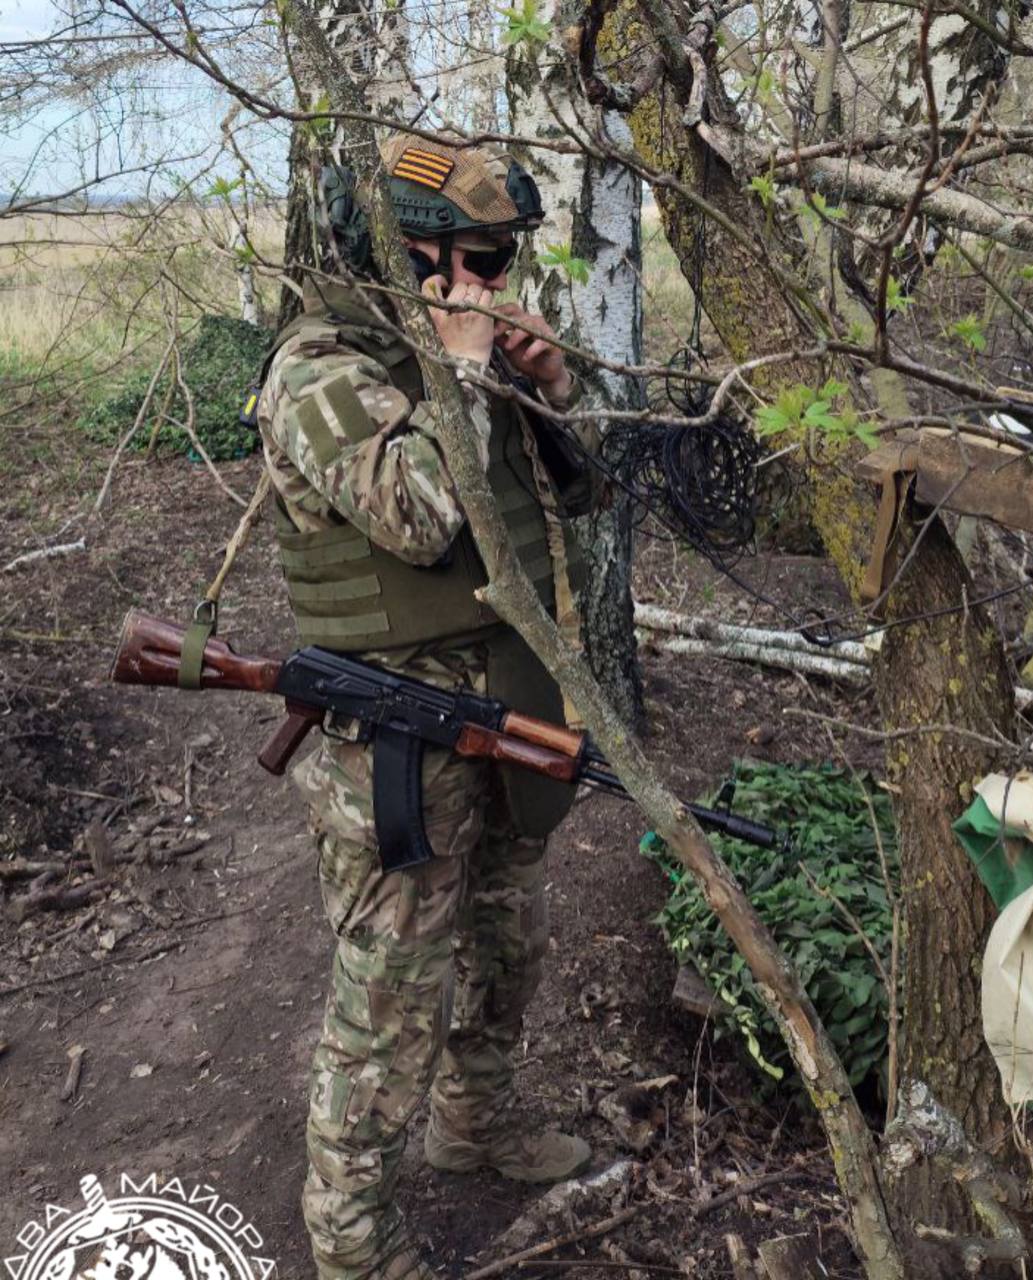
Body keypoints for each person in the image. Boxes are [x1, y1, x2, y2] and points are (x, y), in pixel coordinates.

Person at [255, 135, 597, 1280]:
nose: (492, 286)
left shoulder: (455, 349)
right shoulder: (319, 370)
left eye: (500, 265)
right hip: (391, 742)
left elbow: (568, 494)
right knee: (387, 1000)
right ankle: (352, 1245)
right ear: (400, 256)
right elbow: (416, 516)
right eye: (475, 261)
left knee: (508, 943)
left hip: (505, 703)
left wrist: (544, 386)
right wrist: (460, 368)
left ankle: (474, 1121)